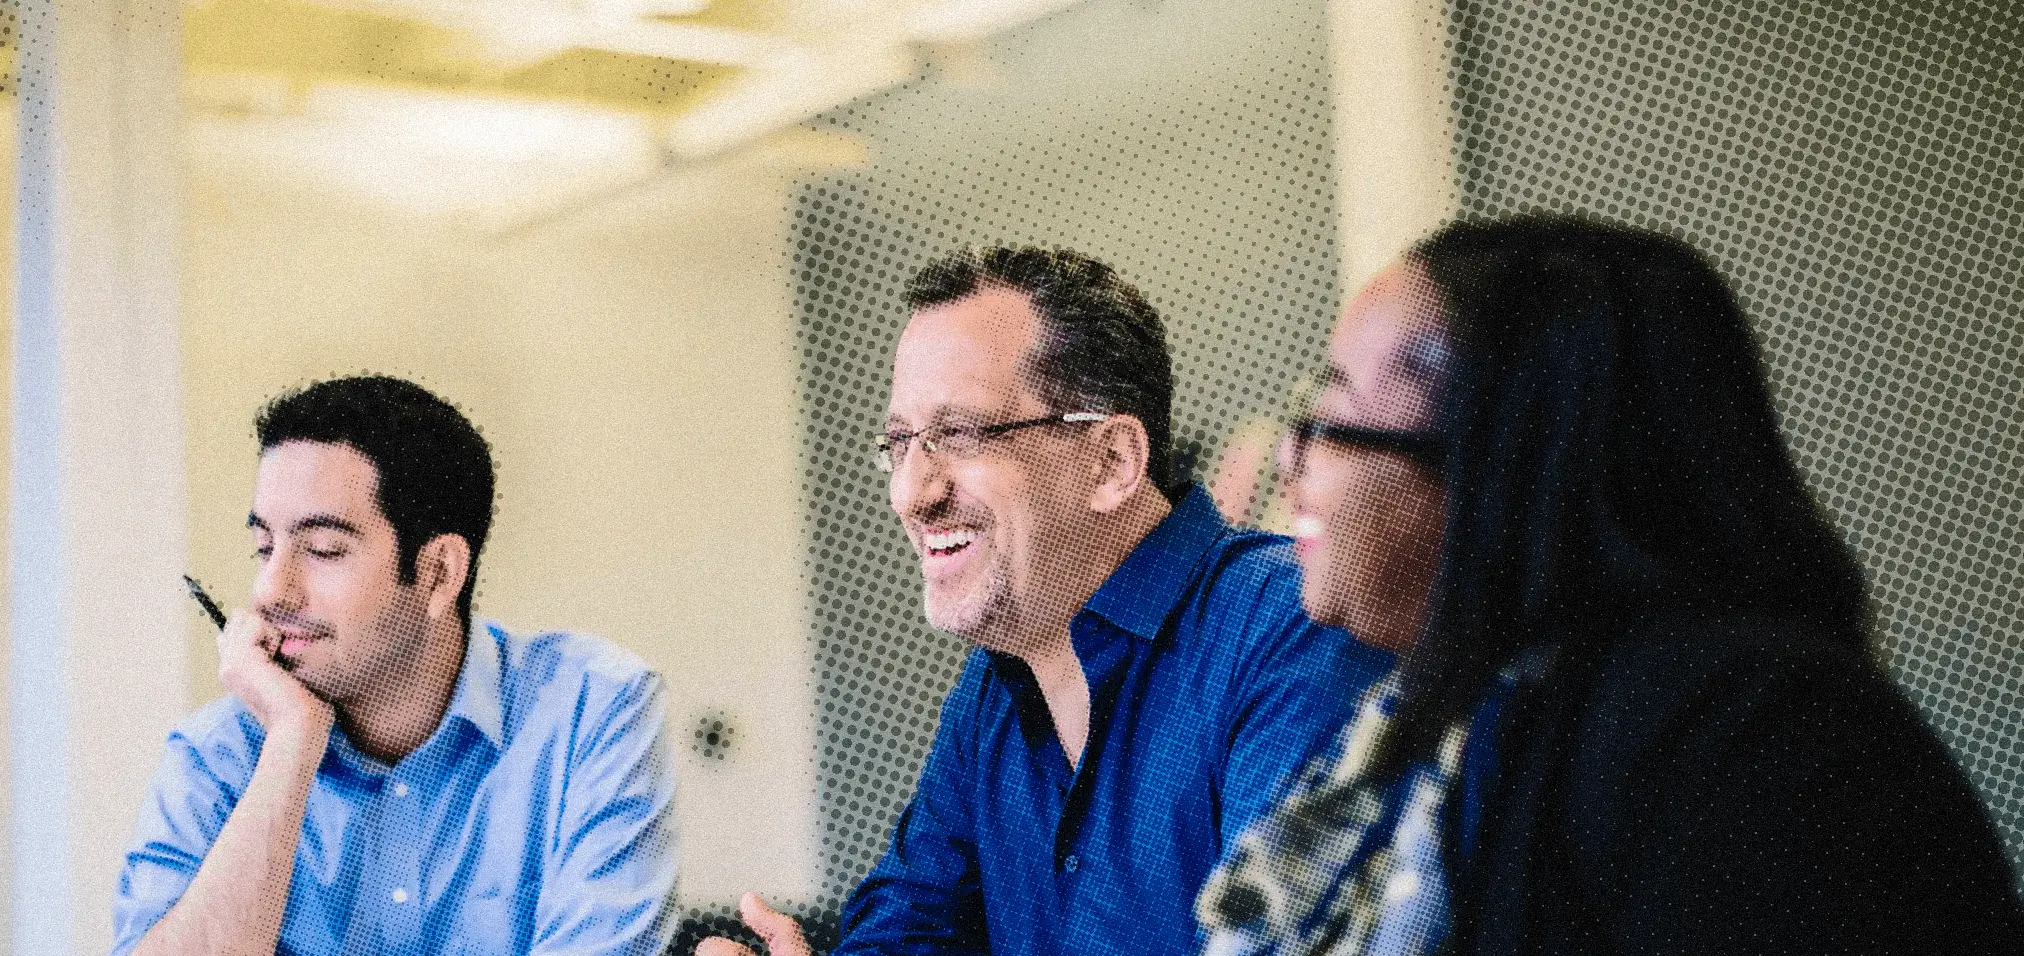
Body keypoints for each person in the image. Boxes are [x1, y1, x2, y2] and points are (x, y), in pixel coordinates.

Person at [1196, 215, 2024, 955]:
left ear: (1500, 449)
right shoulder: (1429, 733)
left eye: (1329, 410)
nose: (1287, 458)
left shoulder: (1742, 742)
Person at [699, 247, 1389, 956]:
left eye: (960, 435)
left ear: (1112, 461)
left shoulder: (1289, 632)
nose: (912, 494)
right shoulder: (992, 687)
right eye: (901, 443)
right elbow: (906, 932)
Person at [114, 376, 679, 956]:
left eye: (323, 550)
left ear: (438, 574)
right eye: (265, 547)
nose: (269, 592)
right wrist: (291, 740)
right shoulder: (217, 755)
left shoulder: (593, 710)